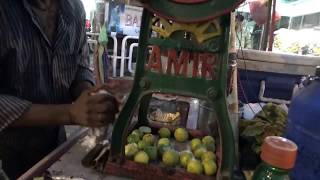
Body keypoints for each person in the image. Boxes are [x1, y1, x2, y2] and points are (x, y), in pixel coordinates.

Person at [0, 0, 119, 179]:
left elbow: (79, 65)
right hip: (7, 155)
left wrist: (89, 96)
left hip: (56, 147)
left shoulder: (74, 8)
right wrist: (69, 113)